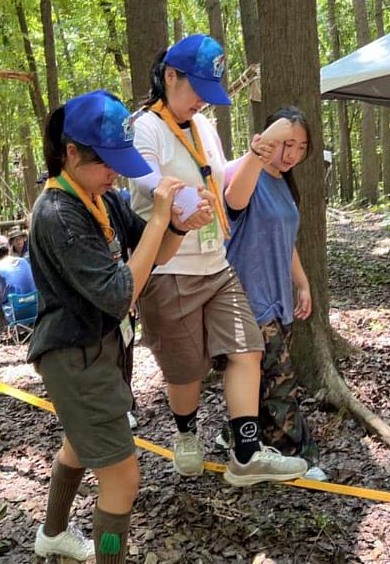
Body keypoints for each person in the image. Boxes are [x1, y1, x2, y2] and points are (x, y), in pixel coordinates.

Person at [28, 90, 212, 563]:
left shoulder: (100, 198)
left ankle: (52, 533)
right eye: (106, 163)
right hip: (75, 356)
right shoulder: (57, 214)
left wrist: (176, 225)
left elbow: (154, 259)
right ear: (71, 154)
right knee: (124, 482)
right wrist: (158, 222)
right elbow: (118, 293)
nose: (114, 174)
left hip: (101, 350)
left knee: (78, 444)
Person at [129, 34, 309, 485]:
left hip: (216, 262)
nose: (200, 105)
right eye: (196, 93)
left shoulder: (204, 127)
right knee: (186, 369)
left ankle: (246, 454)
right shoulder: (146, 126)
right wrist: (185, 203)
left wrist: (257, 153)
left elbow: (223, 178)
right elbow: (143, 179)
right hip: (172, 267)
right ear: (171, 77)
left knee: (247, 349)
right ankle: (186, 433)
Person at [222, 106, 323, 478]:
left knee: (264, 379)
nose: (291, 154)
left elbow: (287, 241)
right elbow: (233, 201)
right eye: (285, 144)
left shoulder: (285, 183)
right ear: (267, 142)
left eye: (300, 146)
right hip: (247, 297)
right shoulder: (246, 173)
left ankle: (234, 435)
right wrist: (259, 151)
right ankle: (299, 455)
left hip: (279, 294)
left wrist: (303, 282)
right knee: (280, 382)